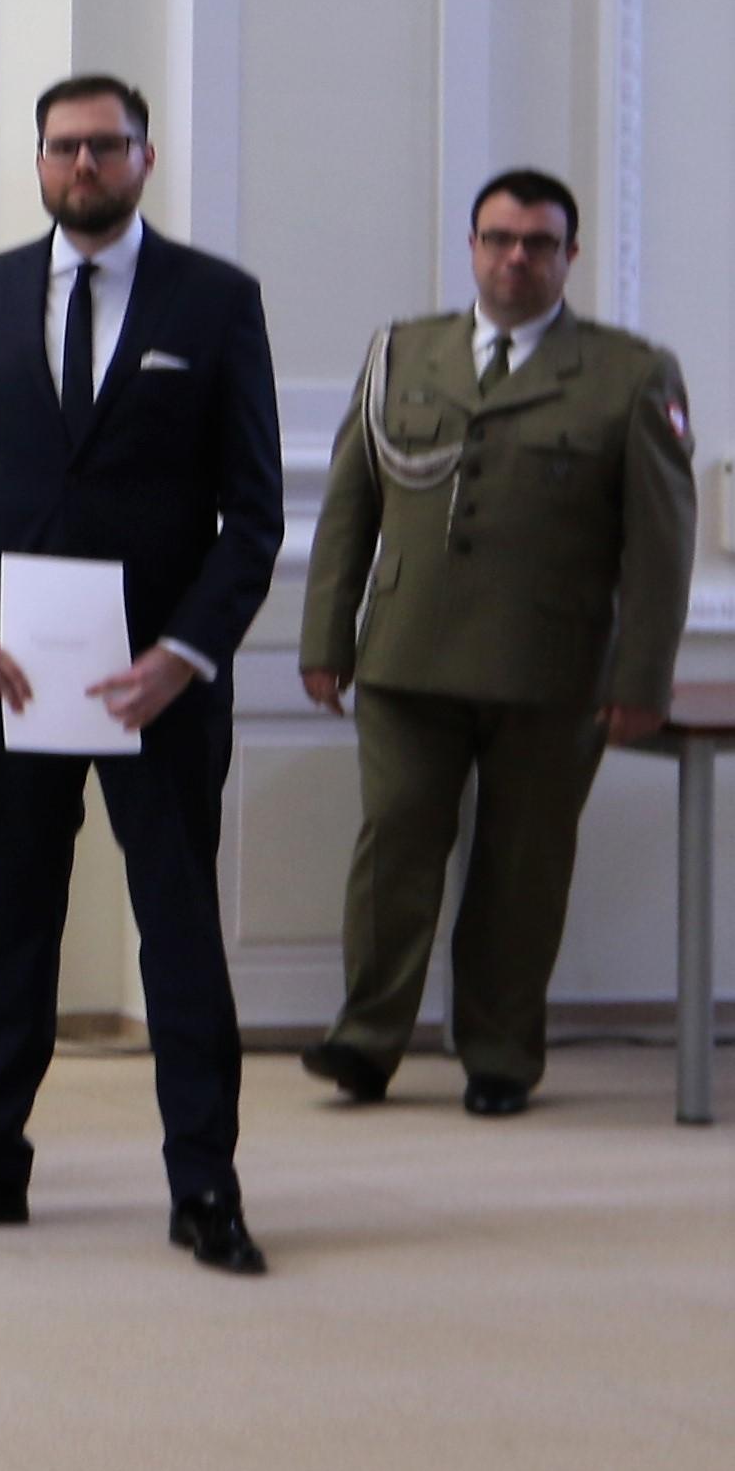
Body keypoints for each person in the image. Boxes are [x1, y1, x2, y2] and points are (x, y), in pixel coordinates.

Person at [0, 73, 284, 1274]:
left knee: (177, 933)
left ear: (144, 158)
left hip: (158, 680)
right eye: (63, 147)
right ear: (40, 160)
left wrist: (183, 653)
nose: (83, 165)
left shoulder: (215, 299)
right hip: (11, 675)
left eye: (106, 145)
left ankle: (204, 1185)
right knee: (15, 920)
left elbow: (253, 512)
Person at [295, 168, 699, 1115]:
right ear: (472, 247)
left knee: (523, 866)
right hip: (406, 655)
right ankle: (366, 1040)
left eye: (539, 244)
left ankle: (502, 1054)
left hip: (551, 667)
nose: (517, 258)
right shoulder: (401, 352)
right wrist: (325, 636)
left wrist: (643, 676)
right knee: (394, 845)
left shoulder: (630, 373)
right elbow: (351, 504)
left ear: (570, 256)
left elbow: (661, 543)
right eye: (500, 240)